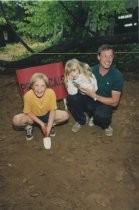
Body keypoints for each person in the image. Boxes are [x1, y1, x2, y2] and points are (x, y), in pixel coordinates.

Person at [66, 44, 124, 136]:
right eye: (105, 56)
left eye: (111, 56)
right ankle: (81, 120)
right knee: (71, 98)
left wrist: (94, 96)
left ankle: (105, 124)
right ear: (98, 57)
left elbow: (114, 102)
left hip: (105, 103)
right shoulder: (90, 71)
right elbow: (76, 82)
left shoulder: (117, 75)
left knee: (102, 116)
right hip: (89, 100)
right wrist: (71, 82)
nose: (108, 60)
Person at [12, 73, 69, 140]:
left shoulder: (51, 93)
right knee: (16, 120)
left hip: (47, 115)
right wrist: (41, 124)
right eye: (36, 85)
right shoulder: (27, 96)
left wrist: (49, 127)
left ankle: (49, 125)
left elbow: (52, 111)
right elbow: (28, 112)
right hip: (33, 118)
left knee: (65, 115)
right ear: (32, 86)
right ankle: (29, 127)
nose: (39, 89)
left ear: (46, 86)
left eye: (43, 86)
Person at [64, 58, 98, 126]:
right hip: (81, 94)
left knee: (90, 106)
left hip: (91, 95)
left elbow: (94, 89)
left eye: (74, 71)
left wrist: (82, 87)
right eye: (69, 72)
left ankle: (93, 116)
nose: (72, 74)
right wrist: (70, 82)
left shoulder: (86, 73)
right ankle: (82, 119)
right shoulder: (71, 78)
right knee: (70, 99)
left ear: (78, 68)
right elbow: (72, 93)